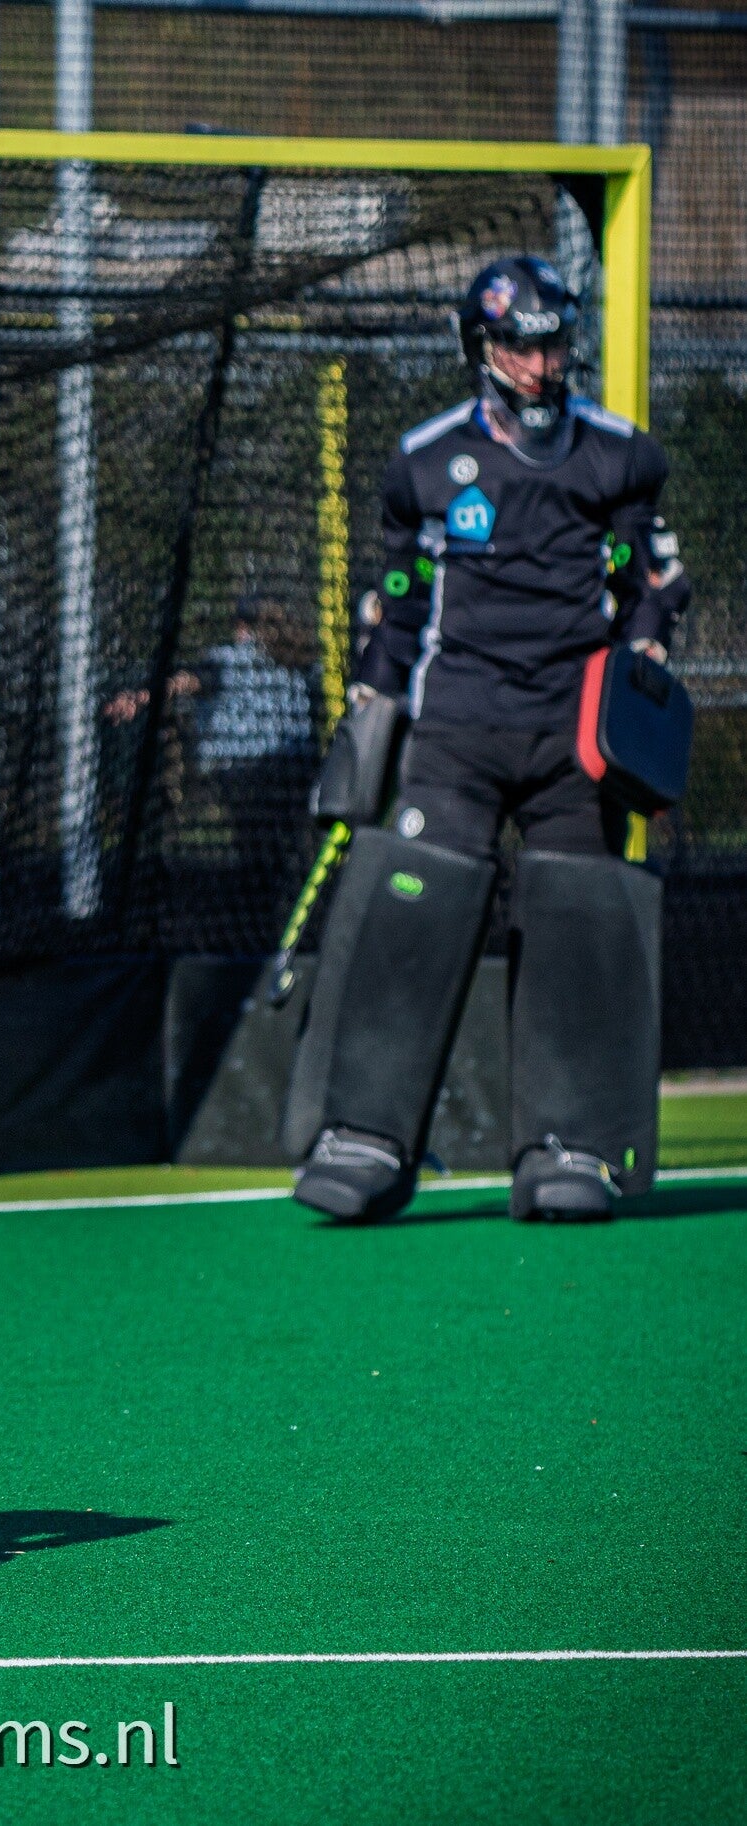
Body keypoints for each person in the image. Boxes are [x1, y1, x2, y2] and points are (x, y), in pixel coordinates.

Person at [287, 254, 691, 1224]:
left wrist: (645, 640)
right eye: (518, 347)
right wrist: (372, 703)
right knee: (413, 909)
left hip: (573, 743)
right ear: (480, 348)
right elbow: (397, 604)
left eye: (552, 345)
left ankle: (568, 1145)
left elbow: (654, 582)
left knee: (575, 922)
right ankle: (367, 1136)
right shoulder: (423, 462)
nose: (540, 366)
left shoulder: (618, 456)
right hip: (456, 732)